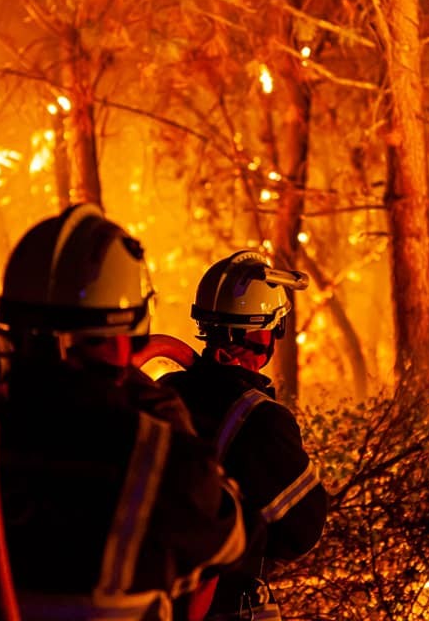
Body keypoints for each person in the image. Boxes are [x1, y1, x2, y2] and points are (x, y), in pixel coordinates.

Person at [0, 204, 253, 621]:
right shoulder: (159, 457)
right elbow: (230, 537)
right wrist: (163, 405)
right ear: (128, 333)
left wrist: (31, 347)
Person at [161, 250, 328, 619]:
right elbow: (302, 530)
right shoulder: (260, 419)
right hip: (226, 605)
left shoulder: (164, 392)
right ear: (266, 333)